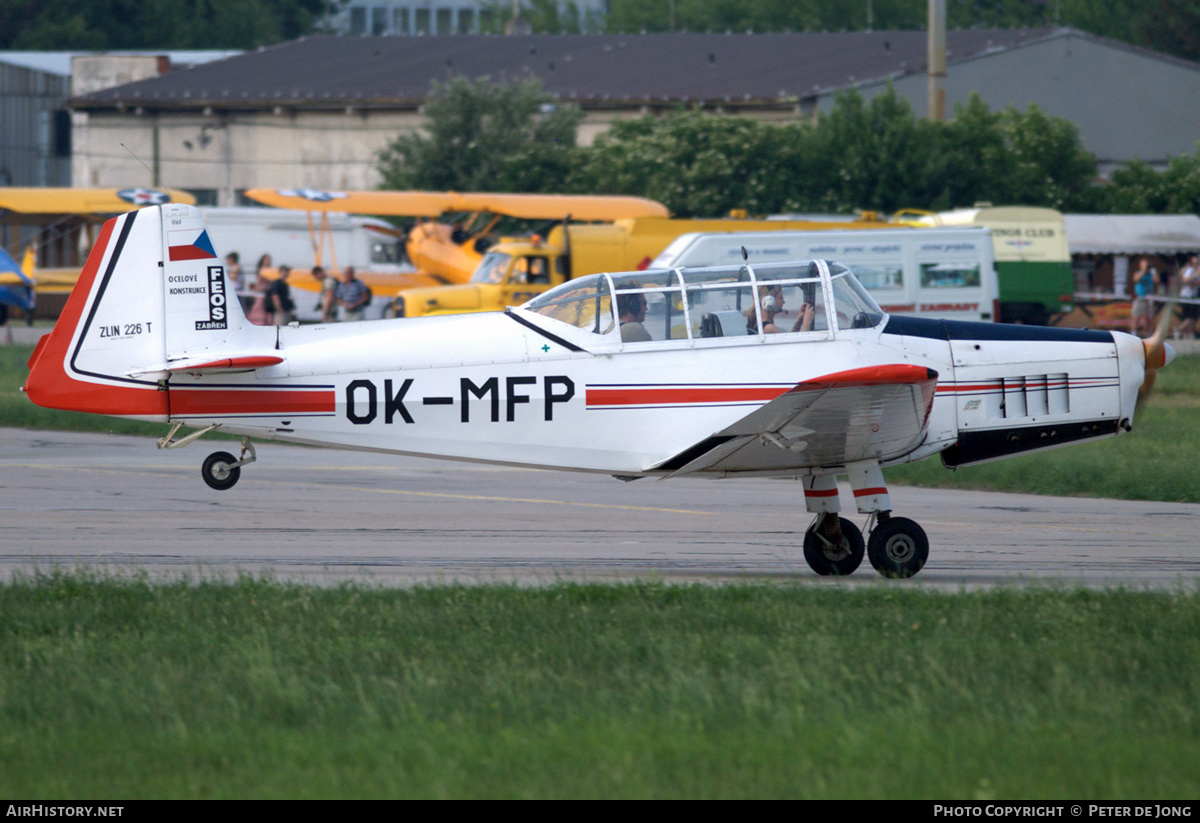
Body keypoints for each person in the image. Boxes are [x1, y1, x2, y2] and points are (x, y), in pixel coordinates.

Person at [749, 284, 814, 334]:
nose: (783, 302)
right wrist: (806, 323)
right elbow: (794, 350)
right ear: (769, 301)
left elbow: (788, 343)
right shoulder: (769, 328)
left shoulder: (760, 325)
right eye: (781, 298)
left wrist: (798, 323)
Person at [1131, 257, 1159, 337]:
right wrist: (1143, 271)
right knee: (1136, 317)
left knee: (1150, 318)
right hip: (1140, 297)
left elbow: (1156, 281)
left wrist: (1153, 271)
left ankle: (1149, 334)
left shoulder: (1151, 274)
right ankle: (1134, 334)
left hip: (1149, 298)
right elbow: (1136, 279)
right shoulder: (1138, 273)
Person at [1177, 254, 1200, 339]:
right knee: (1189, 316)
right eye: (1194, 263)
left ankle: (1185, 332)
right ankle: (1181, 330)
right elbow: (1185, 280)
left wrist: (1194, 283)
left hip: (1194, 296)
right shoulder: (1190, 270)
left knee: (1193, 316)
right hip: (1186, 295)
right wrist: (1195, 275)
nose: (1195, 264)